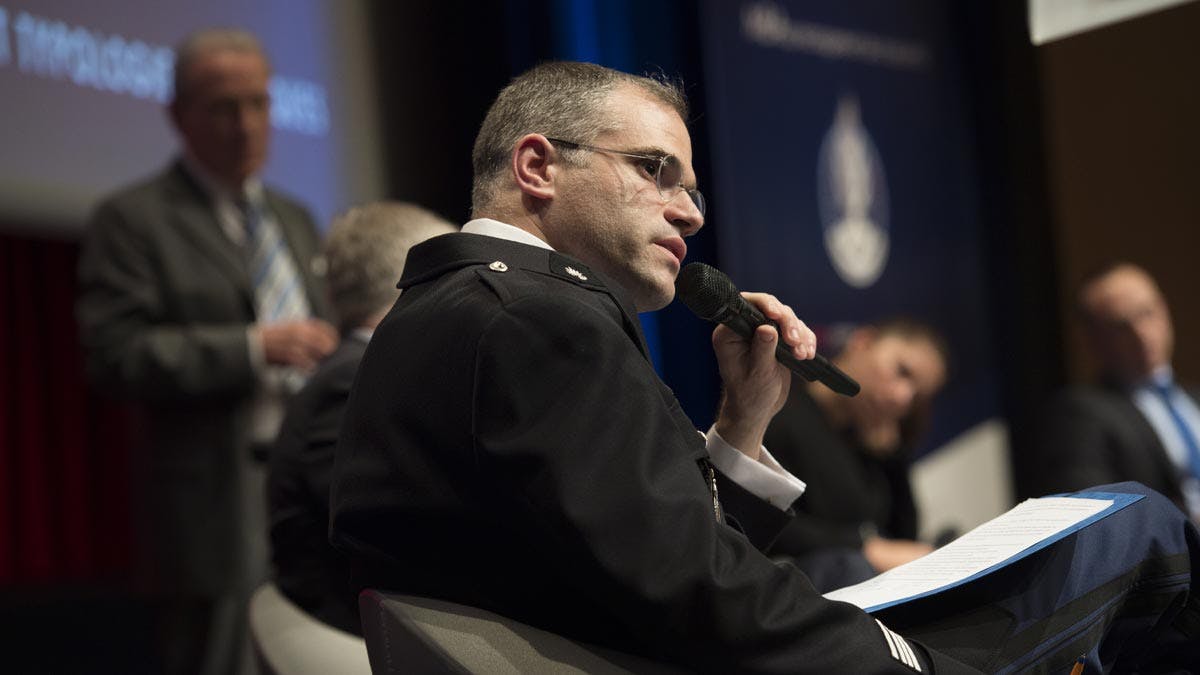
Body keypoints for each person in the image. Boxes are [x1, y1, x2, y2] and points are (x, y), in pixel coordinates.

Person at [329, 61, 1200, 673]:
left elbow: (650, 561)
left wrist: (743, 420)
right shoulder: (540, 317)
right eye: (655, 170)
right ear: (537, 166)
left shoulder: (456, 308)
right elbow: (696, 592)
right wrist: (902, 661)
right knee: (1137, 525)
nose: (690, 213)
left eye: (694, 186)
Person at [76, 28, 337, 675]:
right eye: (223, 107)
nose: (245, 124)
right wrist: (253, 348)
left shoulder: (293, 214)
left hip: (309, 483)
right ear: (178, 115)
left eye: (259, 104)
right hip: (216, 501)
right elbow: (114, 352)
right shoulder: (134, 217)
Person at [267, 202, 455, 635]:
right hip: (355, 637)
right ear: (418, 281)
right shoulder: (355, 379)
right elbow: (391, 538)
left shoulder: (357, 369)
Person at [764, 319, 948, 591]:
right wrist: (866, 547)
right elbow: (766, 525)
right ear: (863, 343)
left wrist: (893, 458)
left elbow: (903, 536)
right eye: (902, 371)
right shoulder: (781, 411)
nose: (902, 397)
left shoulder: (869, 440)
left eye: (916, 395)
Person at [1030, 262, 1200, 520]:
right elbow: (1093, 511)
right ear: (1093, 339)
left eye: (1146, 313)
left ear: (1165, 309)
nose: (1141, 333)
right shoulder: (1080, 413)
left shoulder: (1193, 399)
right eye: (1121, 325)